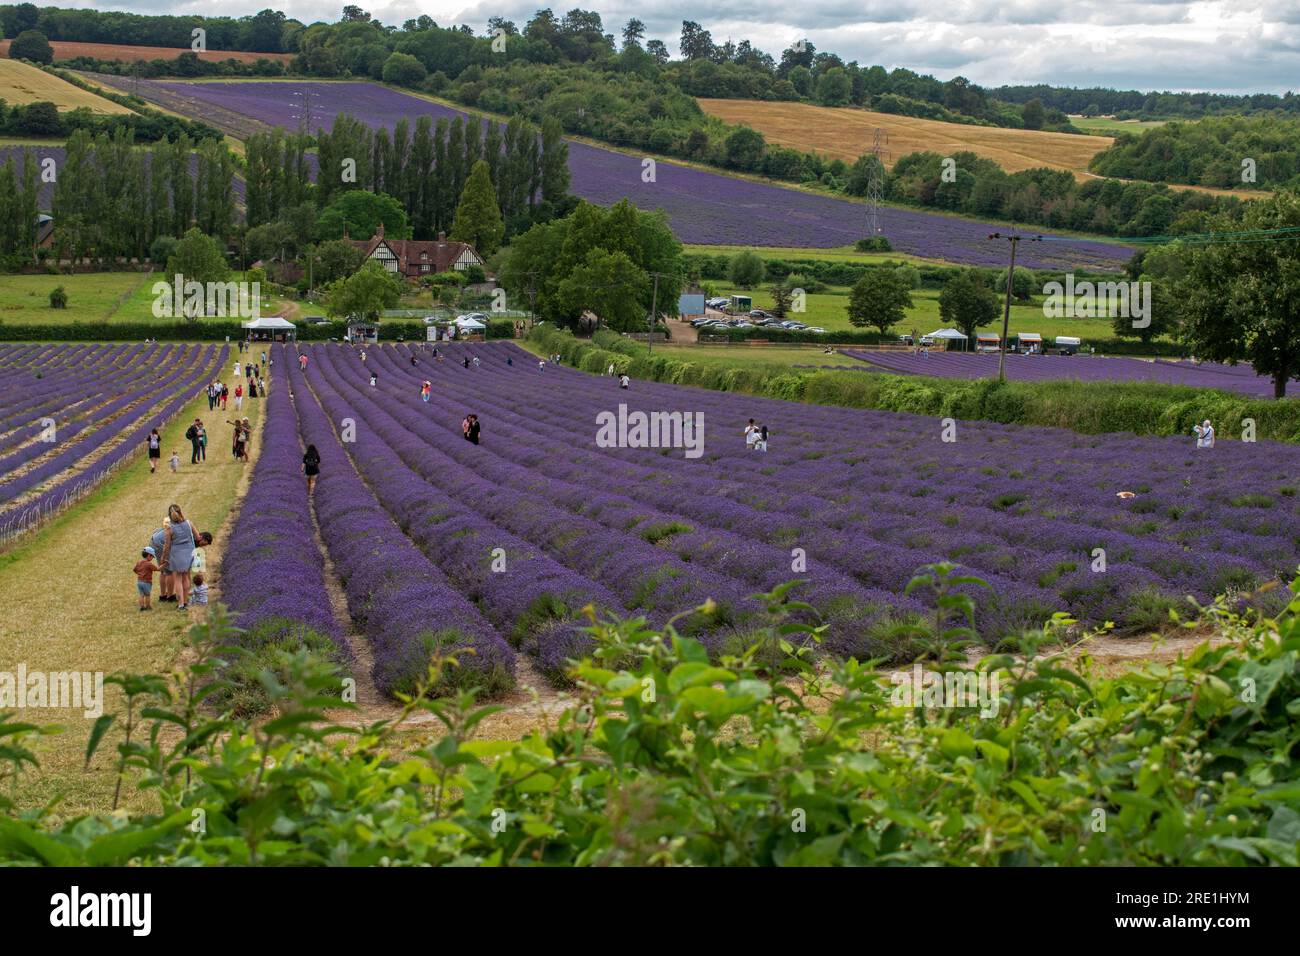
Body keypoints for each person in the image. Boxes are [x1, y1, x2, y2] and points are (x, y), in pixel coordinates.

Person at [134, 547, 159, 612]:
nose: (152, 558)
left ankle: (142, 607)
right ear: (148, 555)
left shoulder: (139, 562)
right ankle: (148, 606)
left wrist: (140, 574)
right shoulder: (149, 564)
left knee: (141, 595)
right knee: (147, 595)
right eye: (152, 557)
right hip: (146, 582)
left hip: (139, 581)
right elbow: (157, 569)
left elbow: (135, 570)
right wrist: (164, 565)